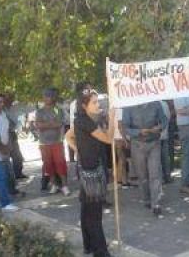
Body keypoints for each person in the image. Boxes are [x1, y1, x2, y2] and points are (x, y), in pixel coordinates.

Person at [66, 89, 114, 257]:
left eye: (97, 101)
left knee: (87, 210)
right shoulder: (85, 121)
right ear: (84, 105)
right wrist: (113, 119)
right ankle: (100, 251)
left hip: (88, 169)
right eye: (94, 102)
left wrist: (77, 149)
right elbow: (108, 139)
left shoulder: (83, 120)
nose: (98, 104)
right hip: (91, 172)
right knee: (94, 213)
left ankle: (90, 246)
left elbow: (68, 136)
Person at [122, 101, 167, 216]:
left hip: (154, 143)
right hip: (137, 144)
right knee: (142, 175)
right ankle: (146, 198)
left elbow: (164, 120)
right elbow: (125, 127)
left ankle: (156, 203)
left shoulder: (156, 103)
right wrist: (138, 132)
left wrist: (160, 127)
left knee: (155, 173)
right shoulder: (128, 106)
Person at [35, 88, 70, 196]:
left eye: (49, 96)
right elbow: (38, 125)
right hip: (44, 143)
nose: (47, 98)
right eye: (45, 96)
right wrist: (51, 124)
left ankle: (64, 186)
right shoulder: (39, 111)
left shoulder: (57, 110)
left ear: (53, 98)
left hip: (57, 141)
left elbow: (59, 123)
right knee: (48, 165)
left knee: (60, 164)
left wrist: (45, 124)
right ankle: (54, 184)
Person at [3, 93, 27, 179]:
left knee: (17, 156)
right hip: (5, 134)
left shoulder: (13, 108)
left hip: (12, 134)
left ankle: (18, 173)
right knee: (6, 156)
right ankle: (9, 176)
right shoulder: (1, 110)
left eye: (12, 98)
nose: (11, 100)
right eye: (9, 98)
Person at [160, 101, 172, 183]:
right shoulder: (164, 104)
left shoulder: (152, 104)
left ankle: (161, 178)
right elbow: (169, 117)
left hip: (155, 135)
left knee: (157, 159)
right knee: (165, 157)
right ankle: (167, 176)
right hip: (164, 134)